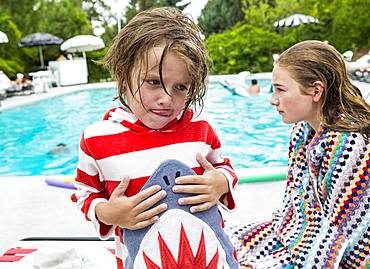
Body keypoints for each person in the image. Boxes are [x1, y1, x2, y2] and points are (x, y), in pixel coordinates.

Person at [71, 7, 238, 269]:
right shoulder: (97, 140)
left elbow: (224, 167)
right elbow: (86, 194)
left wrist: (220, 182)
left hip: (207, 258)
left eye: (180, 87)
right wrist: (108, 212)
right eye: (152, 82)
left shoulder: (201, 131)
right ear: (124, 75)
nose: (166, 99)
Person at [226, 40, 370, 268]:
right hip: (300, 233)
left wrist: (264, 263)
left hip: (345, 254)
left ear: (316, 90)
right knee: (226, 240)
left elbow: (338, 240)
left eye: (280, 90)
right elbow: (294, 206)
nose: (273, 100)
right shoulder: (301, 132)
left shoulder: (349, 144)